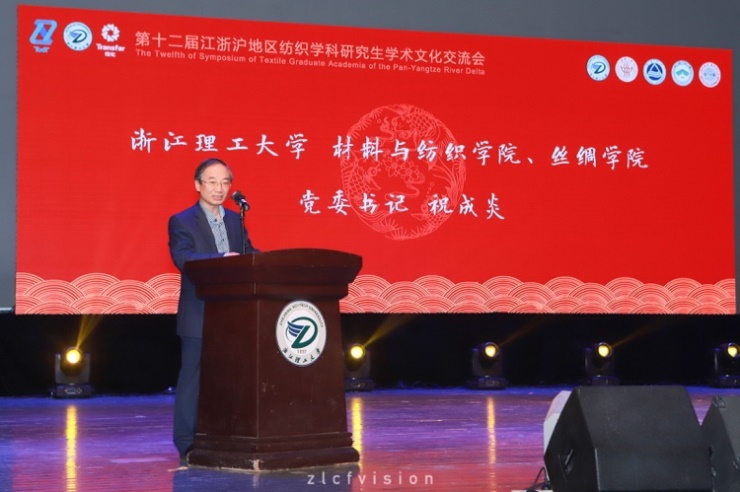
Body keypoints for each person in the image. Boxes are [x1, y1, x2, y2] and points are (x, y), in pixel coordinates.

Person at [168, 157, 257, 466]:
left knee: (231, 378)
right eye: (212, 182)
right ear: (198, 185)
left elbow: (247, 254)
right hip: (199, 312)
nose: (219, 189)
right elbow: (184, 258)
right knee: (192, 380)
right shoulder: (182, 221)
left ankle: (225, 437)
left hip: (233, 315)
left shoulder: (235, 220)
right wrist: (221, 259)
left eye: (225, 182)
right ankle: (186, 444)